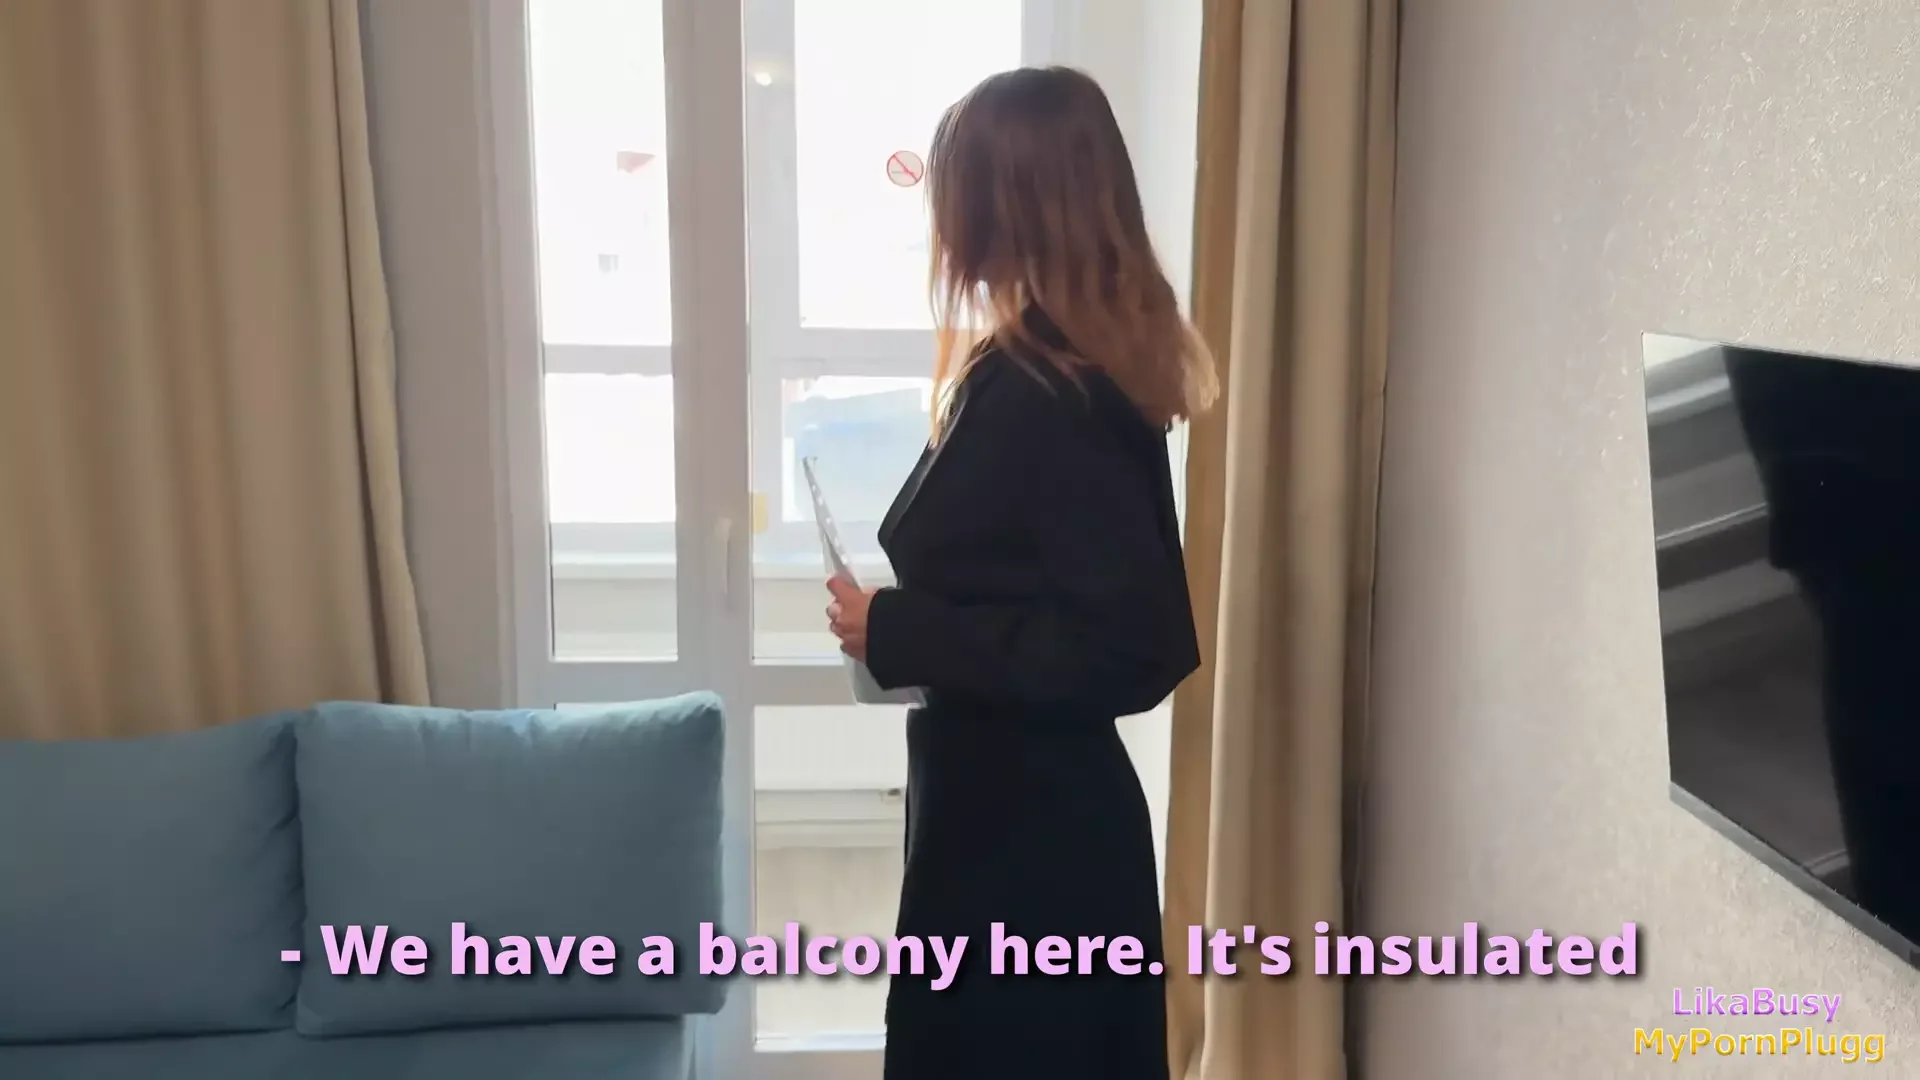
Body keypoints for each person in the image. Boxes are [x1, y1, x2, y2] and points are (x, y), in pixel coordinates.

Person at [822, 66, 1217, 1080]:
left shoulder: (1058, 391)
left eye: (957, 189)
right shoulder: (1044, 367)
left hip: (1034, 853)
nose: (943, 219)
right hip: (1006, 822)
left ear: (1011, 204)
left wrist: (897, 630)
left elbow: (1132, 645)